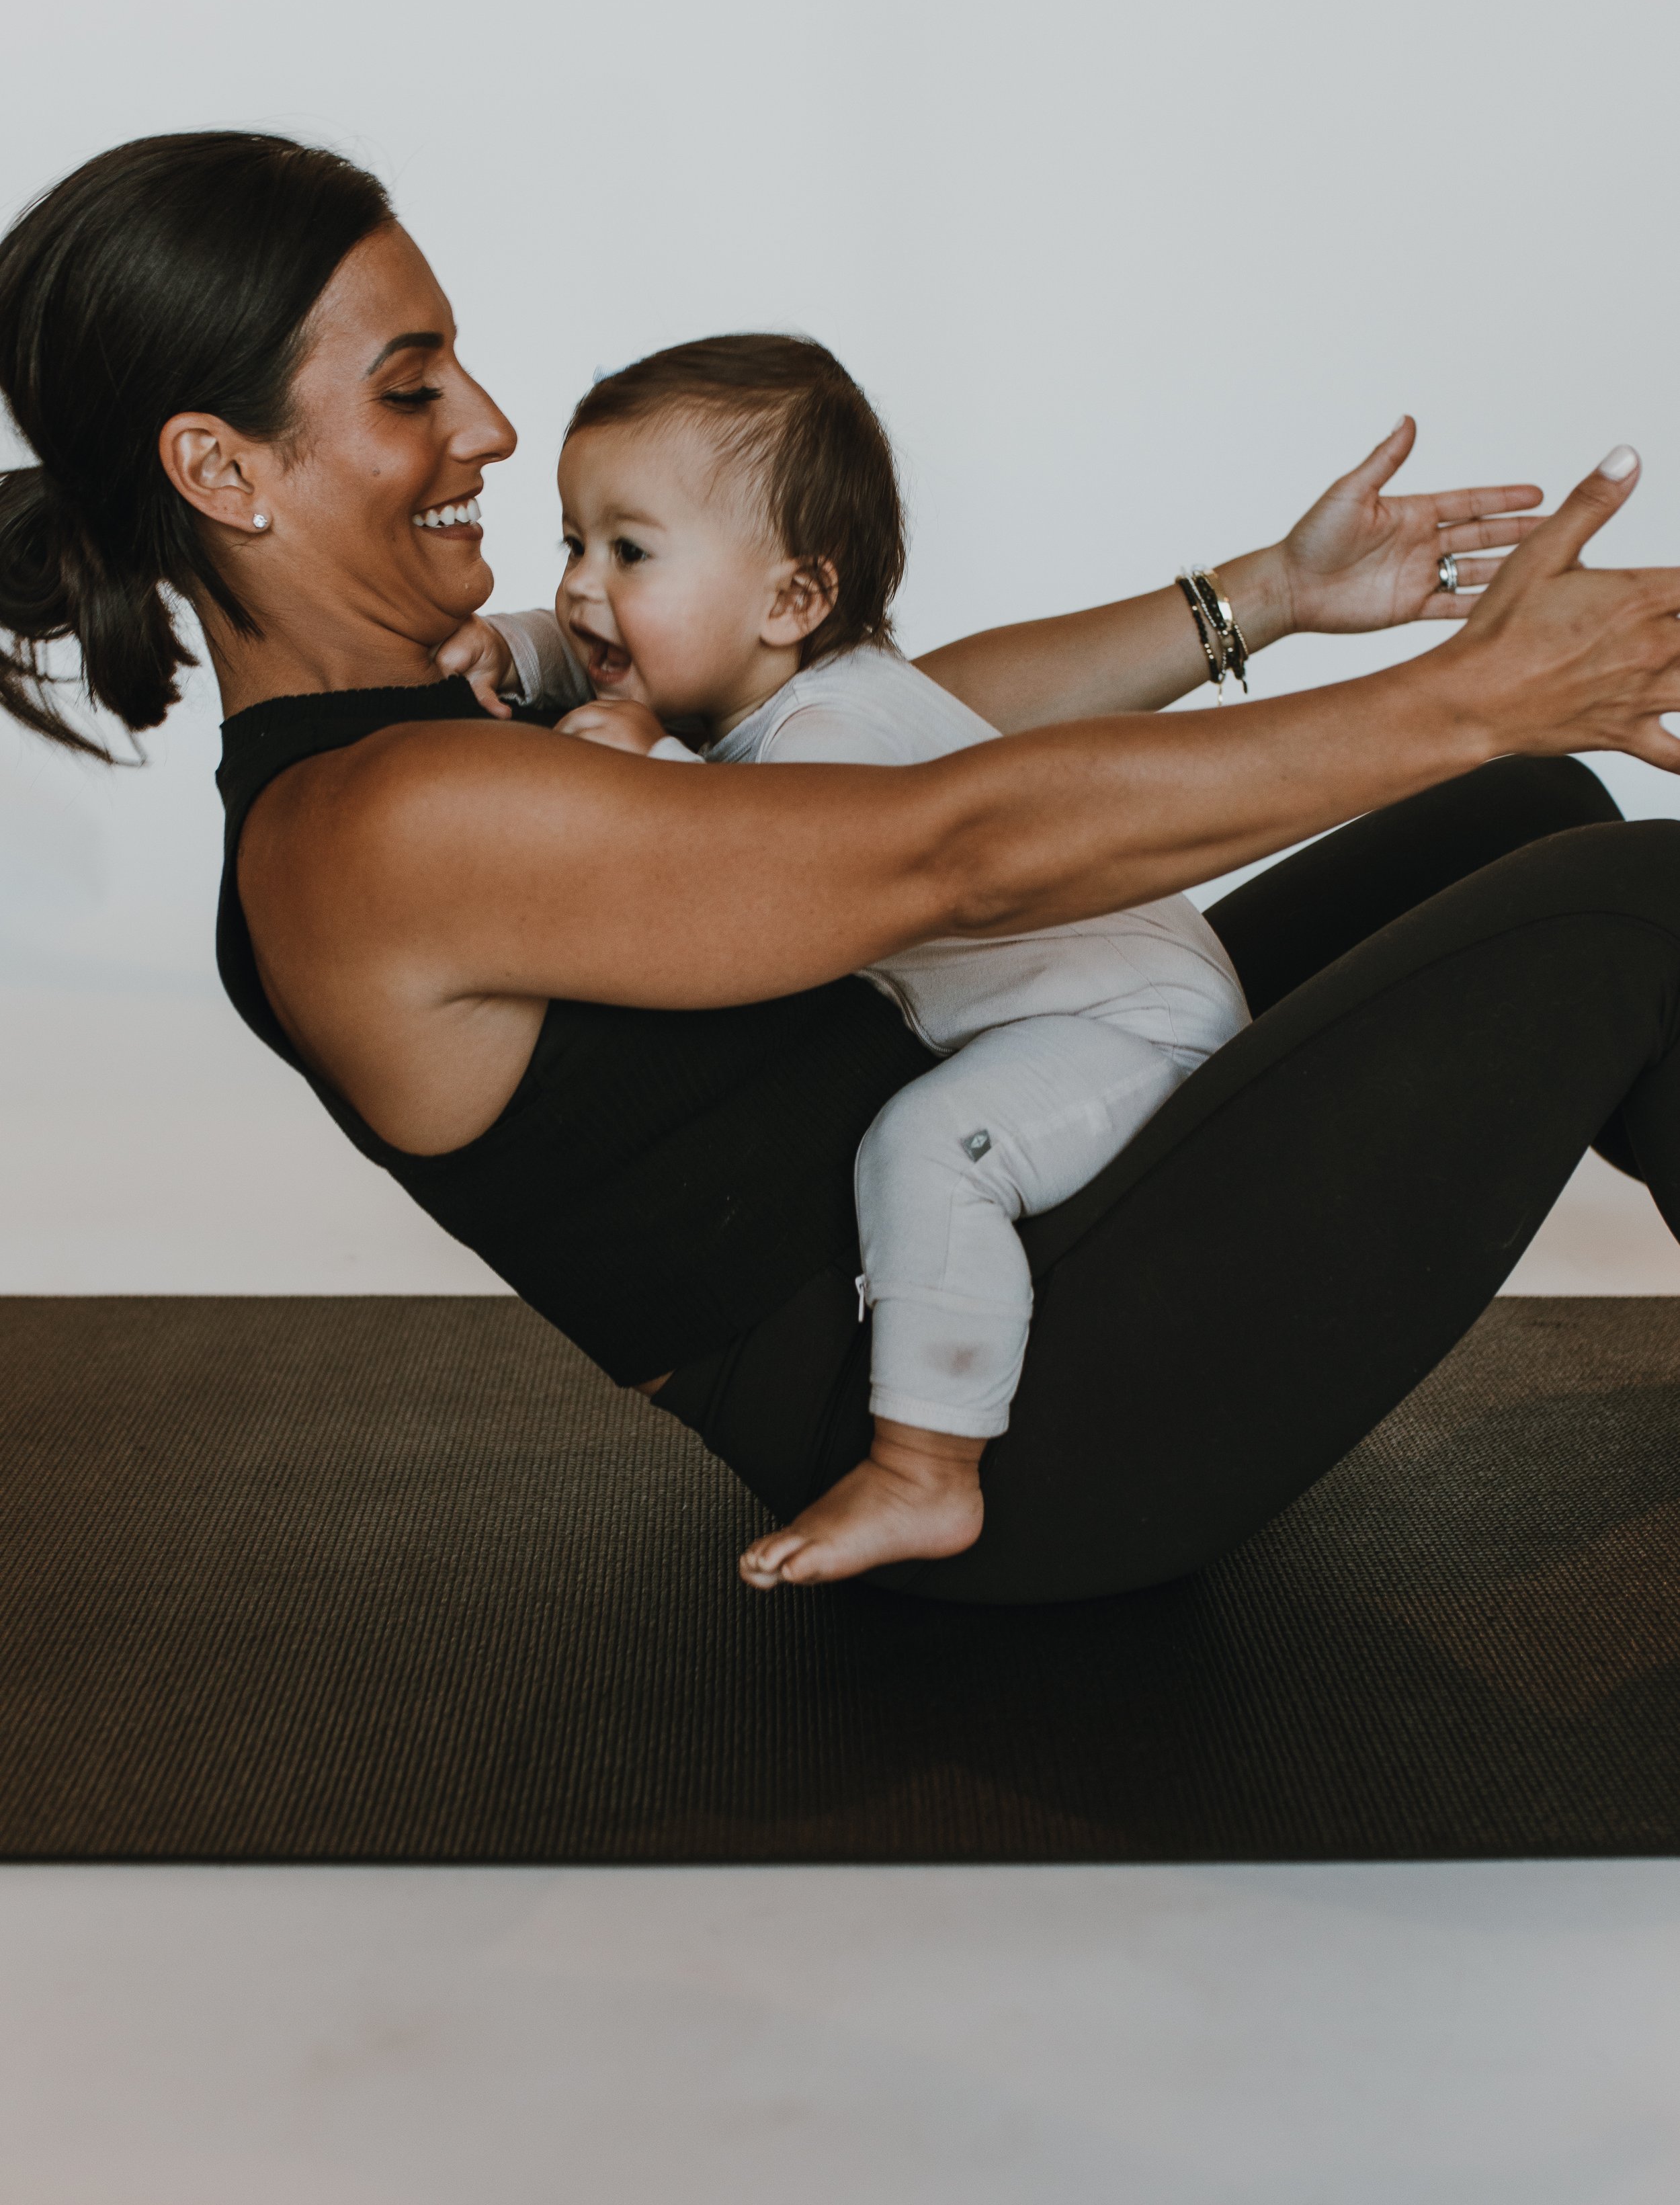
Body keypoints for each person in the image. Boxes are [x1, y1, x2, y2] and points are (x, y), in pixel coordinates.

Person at [5, 131, 1680, 1612]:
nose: (493, 428)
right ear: (221, 469)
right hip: (1022, 1429)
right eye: (409, 388)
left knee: (1522, 810)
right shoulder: (374, 833)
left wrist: (1263, 599)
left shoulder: (449, 727)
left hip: (1051, 1246)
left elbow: (871, 727)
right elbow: (953, 851)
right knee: (1637, 906)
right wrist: (1456, 694)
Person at [448, 333, 1253, 1589]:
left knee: (928, 1149)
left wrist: (641, 769)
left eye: (630, 550)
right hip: (1081, 1010)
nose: (580, 587)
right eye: (572, 544)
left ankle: (928, 1469)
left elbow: (743, 864)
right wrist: (519, 651)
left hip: (1132, 1031)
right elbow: (622, 651)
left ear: (791, 601)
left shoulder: (829, 734)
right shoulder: (764, 678)